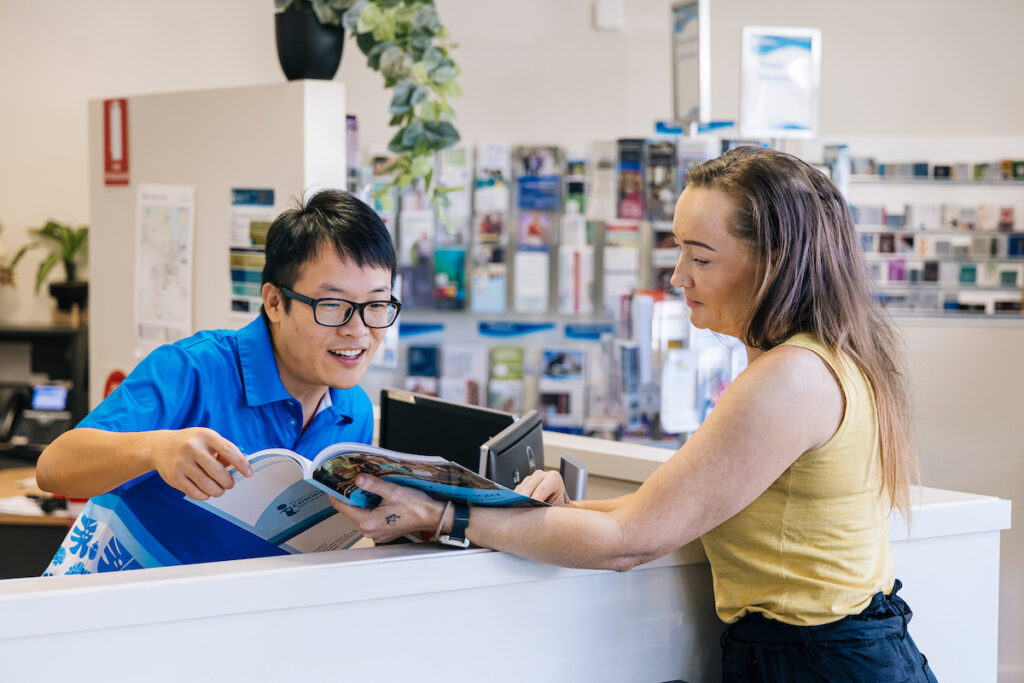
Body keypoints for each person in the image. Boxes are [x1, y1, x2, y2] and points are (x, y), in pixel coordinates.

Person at [332, 147, 938, 681]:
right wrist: (551, 512)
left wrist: (447, 515)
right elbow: (657, 508)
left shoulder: (790, 379)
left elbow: (629, 542)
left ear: (774, 261)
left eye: (700, 257)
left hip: (817, 663)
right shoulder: (822, 360)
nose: (678, 277)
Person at [36, 189, 400, 574]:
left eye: (376, 305)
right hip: (114, 606)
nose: (357, 330)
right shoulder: (194, 368)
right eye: (333, 306)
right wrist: (154, 448)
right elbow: (53, 466)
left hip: (228, 617)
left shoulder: (352, 408)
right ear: (275, 303)